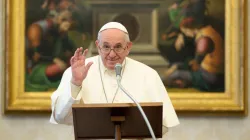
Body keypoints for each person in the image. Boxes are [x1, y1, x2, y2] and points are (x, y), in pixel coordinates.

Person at [50, 22, 180, 139]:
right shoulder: (77, 71)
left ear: (128, 47)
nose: (111, 54)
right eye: (106, 47)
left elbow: (162, 124)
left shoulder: (148, 75)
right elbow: (61, 116)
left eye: (118, 47)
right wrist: (76, 83)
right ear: (98, 46)